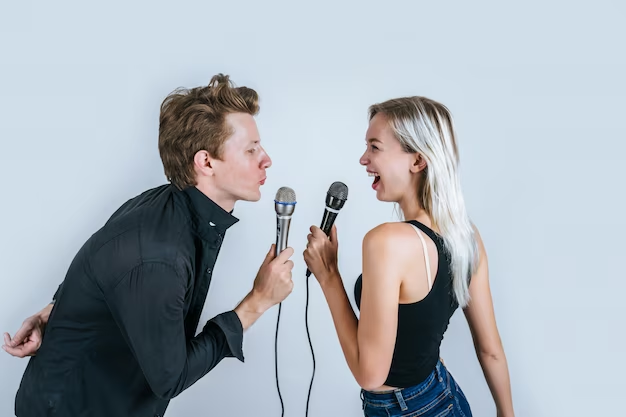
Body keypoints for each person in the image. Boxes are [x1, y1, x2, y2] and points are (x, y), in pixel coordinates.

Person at [2, 74, 295, 417]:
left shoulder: (165, 208)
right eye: (251, 149)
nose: (267, 159)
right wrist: (257, 302)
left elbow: (103, 271)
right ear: (206, 162)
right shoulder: (161, 255)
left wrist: (55, 313)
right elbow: (170, 378)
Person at [303, 97, 515, 417]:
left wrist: (328, 276)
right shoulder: (467, 236)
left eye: (375, 147)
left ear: (417, 161)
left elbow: (370, 375)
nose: (363, 159)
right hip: (446, 397)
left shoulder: (386, 241)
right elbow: (491, 351)